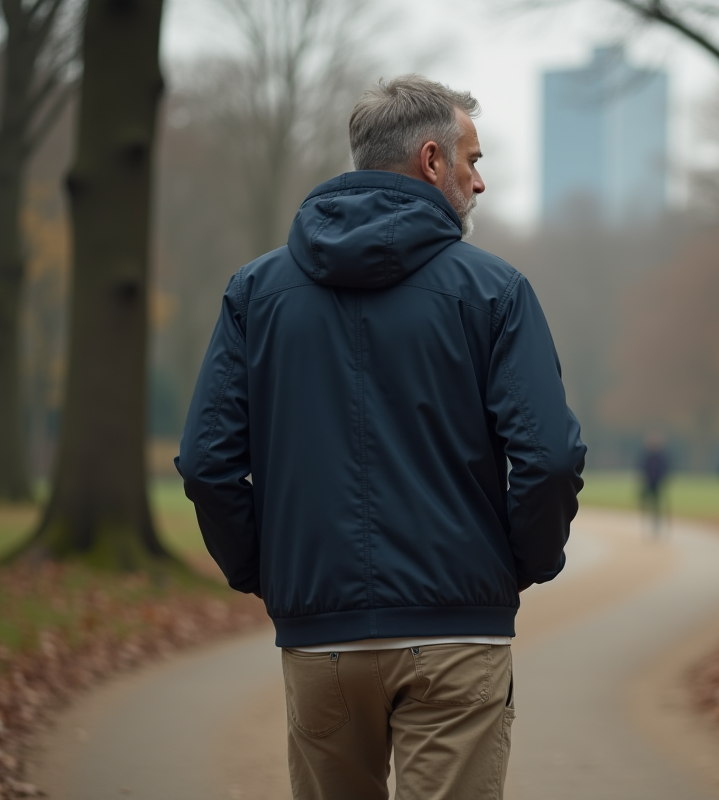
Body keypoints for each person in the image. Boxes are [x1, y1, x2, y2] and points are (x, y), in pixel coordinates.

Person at [176, 75, 585, 800]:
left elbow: (209, 466)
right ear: (432, 161)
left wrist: (270, 574)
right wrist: (517, 565)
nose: (480, 182)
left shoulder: (255, 294)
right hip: (458, 634)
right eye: (472, 160)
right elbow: (549, 458)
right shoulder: (496, 291)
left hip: (319, 633)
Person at [640, 431, 669, 536]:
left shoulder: (661, 456)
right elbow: (642, 468)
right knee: (647, 505)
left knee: (657, 506)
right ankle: (647, 526)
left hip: (658, 484)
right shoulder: (647, 455)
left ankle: (656, 526)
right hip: (648, 483)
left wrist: (664, 479)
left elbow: (666, 469)